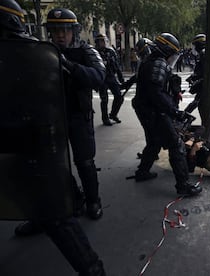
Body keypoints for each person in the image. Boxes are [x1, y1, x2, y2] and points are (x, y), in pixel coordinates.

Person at [0, 2, 106, 275]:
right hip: (47, 120)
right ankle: (55, 207)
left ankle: (93, 201)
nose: (59, 35)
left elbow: (98, 77)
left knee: (84, 161)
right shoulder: (34, 51)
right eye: (55, 30)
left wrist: (68, 65)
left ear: (74, 31)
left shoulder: (86, 51)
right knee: (50, 169)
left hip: (77, 117)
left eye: (64, 30)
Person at [133, 33, 202, 196]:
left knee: (154, 143)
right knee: (176, 145)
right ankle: (183, 186)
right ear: (166, 50)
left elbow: (162, 84)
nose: (173, 58)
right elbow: (156, 94)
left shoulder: (150, 61)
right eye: (172, 54)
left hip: (145, 110)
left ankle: (142, 172)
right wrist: (175, 112)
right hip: (155, 112)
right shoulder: (158, 63)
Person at [95, 33, 125, 126]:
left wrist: (121, 78)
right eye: (101, 41)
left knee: (119, 96)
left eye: (104, 41)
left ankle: (113, 114)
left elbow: (116, 65)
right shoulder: (95, 52)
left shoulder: (111, 51)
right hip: (102, 78)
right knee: (104, 99)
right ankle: (105, 118)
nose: (103, 43)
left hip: (111, 76)